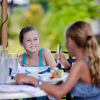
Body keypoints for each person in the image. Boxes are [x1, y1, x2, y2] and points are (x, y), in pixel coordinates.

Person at [16, 21, 100, 100]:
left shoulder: (80, 64)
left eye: (65, 40)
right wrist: (67, 66)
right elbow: (80, 80)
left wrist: (32, 79)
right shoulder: (86, 61)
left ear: (70, 41)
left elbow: (59, 93)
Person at [18, 26, 56, 100]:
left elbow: (56, 75)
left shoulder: (45, 53)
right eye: (28, 40)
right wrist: (17, 67)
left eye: (35, 39)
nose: (33, 43)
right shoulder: (21, 58)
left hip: (47, 96)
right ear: (21, 43)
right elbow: (18, 80)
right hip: (29, 96)